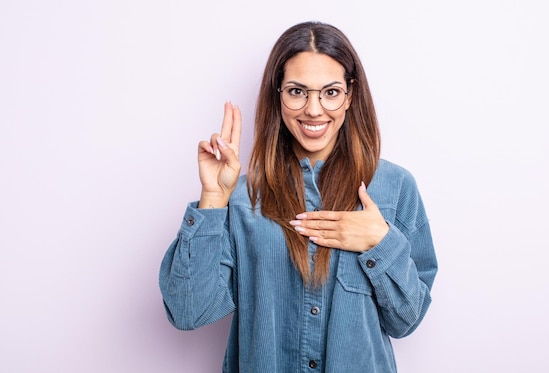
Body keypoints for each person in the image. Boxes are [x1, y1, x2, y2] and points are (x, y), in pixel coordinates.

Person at [159, 21, 437, 372]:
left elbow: (407, 320)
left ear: (350, 96)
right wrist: (213, 198)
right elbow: (187, 311)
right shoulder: (244, 198)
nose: (314, 109)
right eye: (297, 91)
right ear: (278, 95)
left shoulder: (395, 188)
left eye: (331, 92)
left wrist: (379, 242)